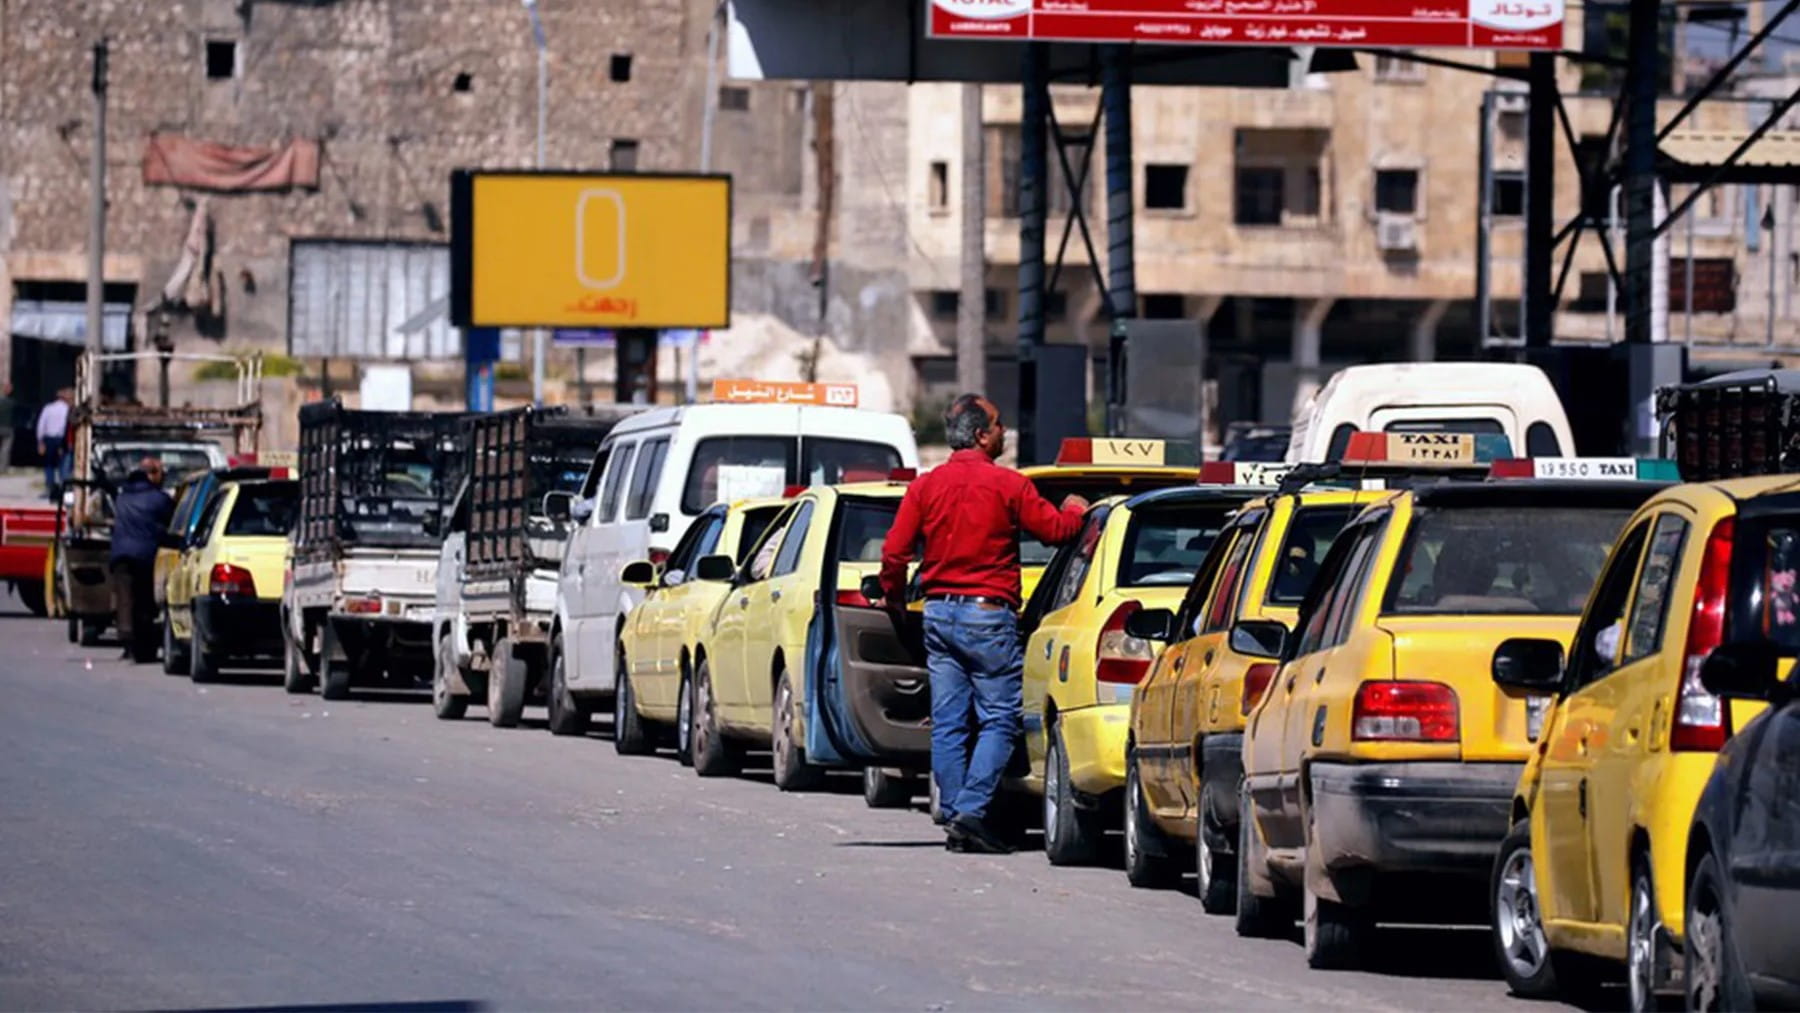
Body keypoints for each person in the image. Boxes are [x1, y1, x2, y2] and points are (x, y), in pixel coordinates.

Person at [878, 394, 1088, 854]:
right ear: (980, 434)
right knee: (998, 720)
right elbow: (1056, 532)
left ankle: (957, 814)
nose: (1005, 431)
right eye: (998, 425)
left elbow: (893, 552)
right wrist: (1075, 510)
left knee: (950, 721)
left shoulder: (925, 488)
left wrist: (895, 599)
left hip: (938, 613)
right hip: (986, 615)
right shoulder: (1008, 485)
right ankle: (971, 812)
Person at [109, 457, 174, 663]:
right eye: (161, 473)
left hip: (121, 556)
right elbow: (171, 522)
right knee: (145, 601)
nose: (163, 478)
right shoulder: (159, 499)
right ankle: (145, 646)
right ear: (151, 475)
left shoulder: (122, 497)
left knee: (125, 601)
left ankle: (128, 643)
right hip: (147, 556)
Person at [36, 387, 72, 501]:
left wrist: (40, 441)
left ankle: (49, 487)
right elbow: (65, 426)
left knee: (49, 464)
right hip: (61, 438)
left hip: (49, 438)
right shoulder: (67, 409)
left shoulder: (48, 408)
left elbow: (41, 424)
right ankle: (63, 488)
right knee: (63, 464)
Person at [0, 382, 15, 470]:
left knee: (5, 449)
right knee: (6, 449)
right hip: (8, 428)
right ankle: (2, 467)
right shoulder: (12, 402)